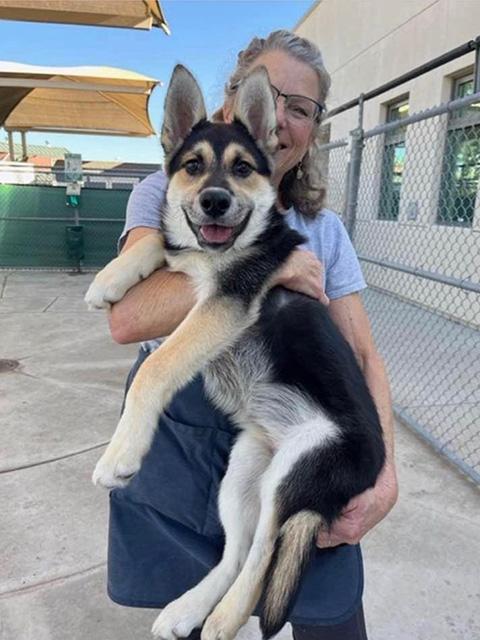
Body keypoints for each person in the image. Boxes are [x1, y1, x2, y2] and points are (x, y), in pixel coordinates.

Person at [105, 30, 398, 640]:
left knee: (333, 615)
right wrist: (266, 264)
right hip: (185, 443)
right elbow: (128, 319)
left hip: (296, 424)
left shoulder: (325, 228)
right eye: (272, 98)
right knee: (182, 621)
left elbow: (365, 354)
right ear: (234, 100)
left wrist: (386, 477)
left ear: (310, 127)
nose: (284, 120)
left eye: (301, 108)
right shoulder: (172, 188)